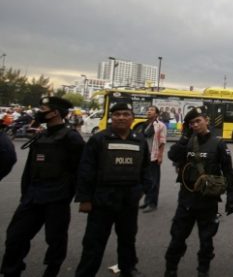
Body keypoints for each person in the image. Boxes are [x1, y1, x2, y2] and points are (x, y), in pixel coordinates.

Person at [0, 97, 85, 277]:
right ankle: (11, 271)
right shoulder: (42, 136)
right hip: (33, 196)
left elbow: (80, 170)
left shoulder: (71, 138)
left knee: (55, 240)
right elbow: (29, 170)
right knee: (15, 237)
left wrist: (75, 195)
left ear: (55, 112)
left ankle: (51, 270)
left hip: (57, 198)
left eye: (43, 108)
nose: (40, 111)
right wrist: (26, 194)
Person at [74, 103, 151, 277]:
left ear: (132, 118)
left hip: (128, 202)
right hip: (102, 201)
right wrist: (85, 199)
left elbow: (146, 168)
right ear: (111, 117)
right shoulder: (99, 139)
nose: (121, 117)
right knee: (93, 242)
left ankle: (128, 268)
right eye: (117, 114)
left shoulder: (139, 140)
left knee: (127, 239)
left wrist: (142, 190)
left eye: (125, 114)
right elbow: (86, 170)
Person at [164, 107, 233, 277]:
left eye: (198, 121)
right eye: (191, 123)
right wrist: (184, 136)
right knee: (177, 237)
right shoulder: (188, 141)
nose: (195, 125)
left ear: (206, 120)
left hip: (208, 200)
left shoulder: (219, 144)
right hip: (187, 199)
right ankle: (171, 268)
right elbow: (173, 155)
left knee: (206, 240)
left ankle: (203, 269)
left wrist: (231, 197)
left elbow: (228, 172)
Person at [139, 106, 167, 213]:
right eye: (148, 110)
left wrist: (160, 156)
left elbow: (162, 141)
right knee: (145, 180)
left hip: (153, 156)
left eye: (151, 110)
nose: (149, 111)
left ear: (156, 114)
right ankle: (147, 201)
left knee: (154, 181)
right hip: (144, 156)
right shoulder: (145, 125)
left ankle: (152, 203)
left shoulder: (160, 125)